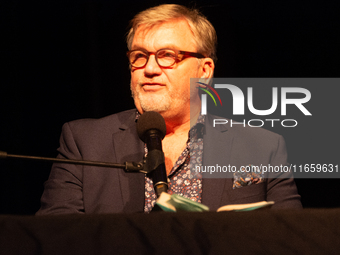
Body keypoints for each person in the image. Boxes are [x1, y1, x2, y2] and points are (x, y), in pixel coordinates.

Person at [36, 4, 302, 215]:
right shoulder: (84, 140)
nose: (149, 69)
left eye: (167, 55)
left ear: (204, 70)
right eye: (139, 56)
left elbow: (290, 237)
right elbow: (56, 235)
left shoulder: (262, 146)